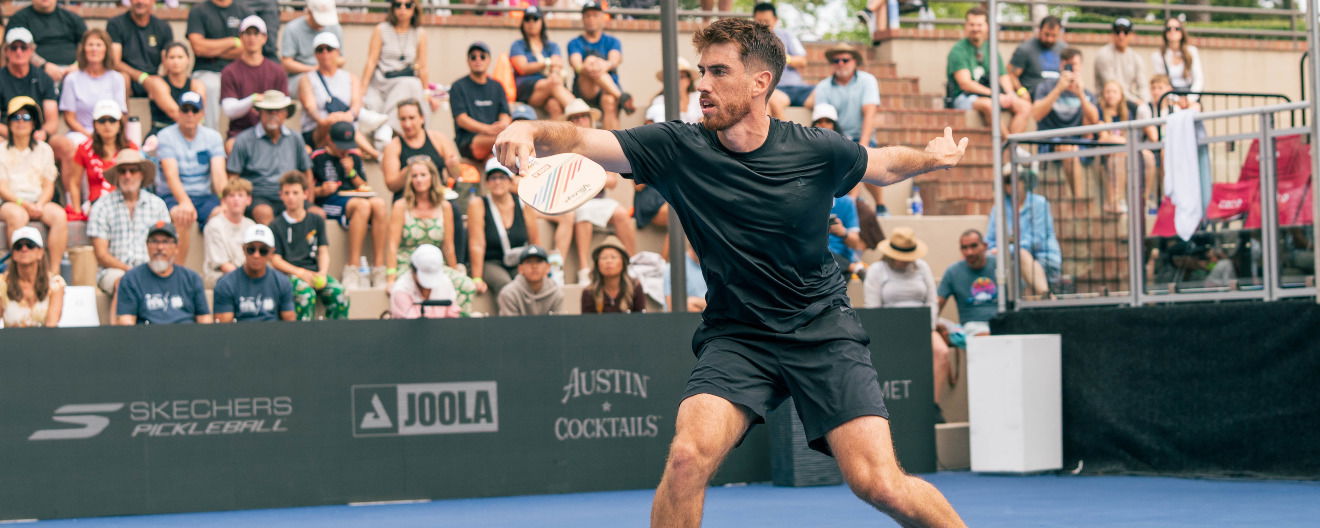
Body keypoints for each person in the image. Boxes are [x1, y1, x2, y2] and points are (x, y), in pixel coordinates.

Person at [494, 18, 968, 525]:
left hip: (822, 328)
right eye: (701, 71)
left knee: (879, 484)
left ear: (760, 82)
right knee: (685, 460)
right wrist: (527, 128)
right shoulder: (677, 147)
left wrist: (933, 157)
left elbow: (883, 164)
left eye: (718, 72)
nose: (702, 84)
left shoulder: (815, 149)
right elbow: (583, 141)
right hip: (738, 334)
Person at [862, 227, 952, 403]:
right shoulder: (877, 271)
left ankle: (933, 405)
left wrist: (929, 326)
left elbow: (932, 300)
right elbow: (872, 307)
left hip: (922, 325)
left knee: (942, 353)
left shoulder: (922, 268)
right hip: (889, 327)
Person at [806, 42, 889, 215]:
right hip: (836, 138)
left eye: (845, 59)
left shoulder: (868, 80)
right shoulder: (823, 86)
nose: (841, 64)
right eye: (836, 60)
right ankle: (851, 203)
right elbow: (823, 119)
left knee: (868, 160)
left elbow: (870, 113)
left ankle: (879, 206)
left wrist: (863, 145)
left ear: (855, 62)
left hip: (862, 135)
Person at [385, 156, 476, 313]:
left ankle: (456, 326)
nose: (419, 180)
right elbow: (392, 246)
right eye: (414, 176)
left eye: (423, 175)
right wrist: (390, 278)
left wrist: (454, 269)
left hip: (435, 264)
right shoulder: (400, 206)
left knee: (467, 285)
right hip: (408, 265)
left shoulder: (445, 206)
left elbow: (448, 246)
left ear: (432, 177)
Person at [88, 150, 171, 318]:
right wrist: (131, 271)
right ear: (117, 175)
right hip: (113, 270)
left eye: (133, 170)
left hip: (154, 267)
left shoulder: (157, 205)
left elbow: (167, 245)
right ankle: (119, 339)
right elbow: (101, 254)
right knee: (124, 283)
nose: (127, 175)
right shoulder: (102, 206)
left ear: (141, 174)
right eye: (122, 171)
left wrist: (148, 270)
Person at [311, 121, 388, 289]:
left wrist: (351, 172)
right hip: (330, 202)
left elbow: (364, 186)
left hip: (354, 197)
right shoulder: (318, 157)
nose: (344, 149)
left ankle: (379, 268)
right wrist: (321, 190)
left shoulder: (353, 156)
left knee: (379, 204)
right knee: (363, 206)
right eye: (340, 145)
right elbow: (309, 192)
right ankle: (352, 269)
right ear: (329, 139)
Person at [566, 101, 636, 284]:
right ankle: (584, 269)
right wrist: (595, 176)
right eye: (574, 118)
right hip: (575, 200)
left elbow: (612, 181)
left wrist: (586, 176)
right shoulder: (564, 146)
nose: (579, 121)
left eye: (582, 116)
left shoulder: (600, 142)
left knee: (621, 214)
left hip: (598, 199)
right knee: (584, 215)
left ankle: (633, 263)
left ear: (589, 120)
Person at [156, 91, 226, 264]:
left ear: (202, 114)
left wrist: (226, 201)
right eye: (185, 110)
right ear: (178, 112)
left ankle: (218, 269)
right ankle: (177, 273)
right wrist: (184, 202)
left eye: (194, 110)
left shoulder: (213, 137)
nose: (189, 115)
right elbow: (171, 175)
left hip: (203, 196)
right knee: (182, 216)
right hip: (172, 195)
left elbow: (219, 174)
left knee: (224, 215)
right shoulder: (165, 136)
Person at [268, 171, 349, 320]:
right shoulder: (276, 225)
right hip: (289, 275)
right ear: (281, 196)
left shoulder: (316, 220)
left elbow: (323, 251)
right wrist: (300, 273)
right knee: (306, 294)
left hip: (314, 273)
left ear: (305, 194)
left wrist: (323, 273)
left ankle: (337, 337)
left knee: (339, 293)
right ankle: (304, 339)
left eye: (295, 192)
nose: (291, 197)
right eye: (287, 193)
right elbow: (276, 260)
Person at [228, 90, 312, 225]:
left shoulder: (296, 138)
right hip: (258, 196)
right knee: (264, 212)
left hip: (291, 194)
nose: (274, 115)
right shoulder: (244, 139)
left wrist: (308, 200)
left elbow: (307, 172)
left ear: (286, 113)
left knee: (317, 214)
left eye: (278, 111)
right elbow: (233, 178)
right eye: (268, 111)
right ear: (260, 113)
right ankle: (273, 247)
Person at [945, 7, 1031, 138]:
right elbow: (965, 84)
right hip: (964, 97)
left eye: (979, 25)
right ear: (966, 26)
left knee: (1024, 106)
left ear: (987, 27)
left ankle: (1011, 149)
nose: (975, 28)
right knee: (989, 105)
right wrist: (996, 95)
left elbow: (1003, 76)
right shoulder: (958, 50)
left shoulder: (991, 49)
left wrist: (1010, 94)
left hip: (992, 94)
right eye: (972, 24)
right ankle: (1007, 147)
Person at [0, 97, 66, 266]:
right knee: (17, 215)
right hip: (10, 202)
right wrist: (23, 203)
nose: (21, 122)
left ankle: (54, 273)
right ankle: (17, 271)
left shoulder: (44, 149)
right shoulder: (1, 150)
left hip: (38, 201)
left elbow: (48, 184)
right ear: (9, 122)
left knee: (59, 215)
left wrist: (40, 204)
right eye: (16, 117)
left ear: (34, 122)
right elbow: (2, 188)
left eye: (26, 117)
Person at [361, 0, 434, 150]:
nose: (402, 9)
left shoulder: (419, 33)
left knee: (413, 86)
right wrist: (361, 90)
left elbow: (423, 66)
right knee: (410, 84)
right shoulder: (381, 29)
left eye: (407, 5)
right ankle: (388, 127)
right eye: (398, 5)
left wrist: (427, 92)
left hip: (405, 79)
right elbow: (371, 61)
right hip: (383, 79)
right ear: (392, 8)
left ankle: (386, 127)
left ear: (414, 8)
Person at [0, 28, 73, 171]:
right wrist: (17, 134)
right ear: (6, 51)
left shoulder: (43, 78)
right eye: (14, 47)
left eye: (23, 47)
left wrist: (42, 133)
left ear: (31, 50)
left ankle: (71, 194)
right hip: (7, 135)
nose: (18, 52)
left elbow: (52, 120)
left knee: (65, 145)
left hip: (38, 135)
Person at [1031, 47, 1099, 198]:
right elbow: (1036, 114)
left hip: (1077, 145)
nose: (1070, 69)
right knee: (1069, 148)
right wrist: (1058, 89)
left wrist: (1080, 95)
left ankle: (1078, 200)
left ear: (1080, 67)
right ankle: (1079, 201)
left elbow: (1094, 120)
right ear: (1061, 66)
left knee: (1071, 148)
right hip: (1050, 143)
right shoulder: (1046, 87)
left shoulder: (1085, 92)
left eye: (1073, 65)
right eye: (1066, 65)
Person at [115, 222, 212, 325]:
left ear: (176, 248)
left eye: (166, 242)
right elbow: (126, 323)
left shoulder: (192, 278)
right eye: (154, 241)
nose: (160, 247)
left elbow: (204, 319)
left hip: (186, 336)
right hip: (147, 337)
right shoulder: (131, 279)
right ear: (147, 246)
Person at [468, 158, 536, 298]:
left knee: (529, 283)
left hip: (519, 261)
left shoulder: (524, 203)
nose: (498, 182)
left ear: (510, 181)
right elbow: (477, 244)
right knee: (505, 285)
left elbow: (534, 240)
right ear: (487, 183)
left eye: (502, 177)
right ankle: (509, 319)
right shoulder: (478, 204)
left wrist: (539, 269)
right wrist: (477, 278)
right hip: (491, 262)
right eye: (493, 178)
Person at [298, 32, 374, 157]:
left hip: (345, 128)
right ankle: (373, 153)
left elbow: (356, 103)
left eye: (329, 49)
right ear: (315, 54)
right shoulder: (307, 79)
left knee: (342, 126)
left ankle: (367, 153)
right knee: (334, 124)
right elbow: (310, 107)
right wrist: (327, 119)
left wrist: (348, 115)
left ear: (337, 51)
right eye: (320, 50)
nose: (325, 53)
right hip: (317, 131)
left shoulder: (350, 77)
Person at [985, 172, 1056, 296]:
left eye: (1015, 180)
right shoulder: (999, 207)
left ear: (1025, 182)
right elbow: (989, 240)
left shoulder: (1039, 203)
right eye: (1007, 181)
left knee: (1021, 255)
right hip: (1008, 261)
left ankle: (1047, 296)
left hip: (1042, 257)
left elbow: (1037, 240)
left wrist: (1007, 249)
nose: (1011, 185)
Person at [220, 16, 288, 142]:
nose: (252, 38)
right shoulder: (229, 72)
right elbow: (229, 110)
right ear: (241, 37)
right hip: (240, 132)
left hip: (272, 131)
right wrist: (254, 99)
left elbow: (285, 105)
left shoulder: (277, 71)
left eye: (256, 33)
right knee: (231, 146)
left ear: (264, 38)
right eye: (248, 33)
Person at [186, 0, 252, 129]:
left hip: (238, 71)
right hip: (206, 71)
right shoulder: (198, 10)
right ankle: (210, 141)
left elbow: (248, 48)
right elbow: (198, 48)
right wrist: (232, 41)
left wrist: (211, 50)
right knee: (211, 86)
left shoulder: (244, 11)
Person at [69, 100, 139, 219]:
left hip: (125, 201)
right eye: (102, 120)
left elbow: (138, 179)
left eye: (112, 120)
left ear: (119, 124)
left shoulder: (131, 148)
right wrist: (77, 210)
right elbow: (74, 182)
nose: (107, 125)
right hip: (96, 205)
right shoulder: (84, 149)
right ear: (95, 124)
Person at [381, 99, 463, 200]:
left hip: (438, 197)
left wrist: (453, 165)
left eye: (411, 118)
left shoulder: (438, 139)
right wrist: (410, 169)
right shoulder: (393, 146)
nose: (407, 124)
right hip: (408, 199)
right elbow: (391, 186)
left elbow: (457, 175)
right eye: (403, 119)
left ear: (422, 118)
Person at [213, 223, 296, 322]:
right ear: (243, 249)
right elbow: (223, 328)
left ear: (271, 252)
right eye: (251, 249)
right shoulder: (226, 284)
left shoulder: (282, 282)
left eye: (263, 250)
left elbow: (290, 323)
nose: (256, 255)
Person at [568, 1, 630, 131]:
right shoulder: (575, 43)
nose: (591, 19)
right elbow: (577, 65)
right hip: (585, 91)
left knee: (609, 101)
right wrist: (590, 66)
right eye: (587, 16)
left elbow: (614, 60)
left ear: (602, 18)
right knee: (590, 60)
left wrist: (602, 65)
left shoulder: (612, 41)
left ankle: (613, 148)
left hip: (607, 92)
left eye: (595, 15)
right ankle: (621, 97)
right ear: (583, 19)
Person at [60, 29, 128, 146]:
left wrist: (106, 135)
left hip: (109, 133)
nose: (94, 49)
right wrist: (89, 135)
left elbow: (121, 114)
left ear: (106, 49)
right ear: (83, 49)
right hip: (81, 134)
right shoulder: (72, 79)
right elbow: (69, 118)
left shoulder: (117, 78)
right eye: (90, 45)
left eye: (98, 45)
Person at [450, 41, 511, 162]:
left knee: (509, 137)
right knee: (507, 140)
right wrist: (488, 129)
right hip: (469, 140)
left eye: (482, 56)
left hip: (496, 136)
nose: (478, 60)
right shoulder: (458, 86)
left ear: (489, 60)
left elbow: (505, 114)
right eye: (473, 57)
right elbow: (461, 119)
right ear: (468, 61)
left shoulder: (497, 86)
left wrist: (502, 126)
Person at [511, 6, 574, 120]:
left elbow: (557, 65)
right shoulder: (518, 45)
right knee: (554, 82)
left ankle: (557, 138)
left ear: (542, 22)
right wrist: (547, 63)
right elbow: (523, 68)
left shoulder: (552, 45)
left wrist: (553, 71)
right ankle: (581, 113)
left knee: (554, 105)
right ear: (523, 23)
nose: (531, 22)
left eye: (535, 19)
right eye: (527, 19)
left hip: (551, 85)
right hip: (528, 90)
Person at [3, 0, 86, 85]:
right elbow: (15, 50)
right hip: (34, 77)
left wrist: (77, 65)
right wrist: (43, 66)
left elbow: (86, 46)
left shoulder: (73, 18)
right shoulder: (19, 19)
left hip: (74, 73)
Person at [756, 3, 812, 119]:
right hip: (776, 89)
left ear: (775, 20)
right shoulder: (751, 42)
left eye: (766, 21)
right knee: (772, 101)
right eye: (759, 21)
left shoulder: (786, 35)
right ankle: (787, 137)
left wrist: (783, 57)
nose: (763, 25)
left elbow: (802, 61)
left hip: (800, 87)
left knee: (827, 96)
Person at [0, 227, 65, 328]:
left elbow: (52, 324)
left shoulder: (56, 283)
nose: (24, 249)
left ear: (40, 252)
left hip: (45, 341)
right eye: (18, 246)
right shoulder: (2, 283)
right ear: (13, 254)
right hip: (12, 341)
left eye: (30, 245)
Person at [107, 0, 173, 98]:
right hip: (128, 77)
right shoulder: (116, 24)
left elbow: (168, 62)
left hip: (153, 78)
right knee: (122, 78)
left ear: (153, 1)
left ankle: (179, 113)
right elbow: (115, 62)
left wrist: (159, 80)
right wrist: (142, 77)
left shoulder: (163, 27)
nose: (140, 2)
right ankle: (124, 113)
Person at [938, 229, 997, 337]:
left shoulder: (1000, 265)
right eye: (964, 248)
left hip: (1001, 323)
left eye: (974, 246)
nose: (969, 252)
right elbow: (937, 305)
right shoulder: (953, 271)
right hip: (971, 327)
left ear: (984, 246)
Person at [143, 43, 208, 137]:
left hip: (191, 132)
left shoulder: (197, 84)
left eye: (180, 57)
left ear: (188, 60)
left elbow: (200, 113)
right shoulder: (157, 82)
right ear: (164, 61)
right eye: (172, 57)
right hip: (161, 133)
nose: (176, 61)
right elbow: (173, 112)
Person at [1096, 79, 1139, 215]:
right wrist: (1121, 141)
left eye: (1114, 91)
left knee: (1144, 156)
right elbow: (1103, 138)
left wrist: (1120, 141)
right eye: (1107, 92)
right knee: (1118, 155)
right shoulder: (1099, 111)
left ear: (1121, 95)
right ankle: (1115, 200)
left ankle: (1142, 200)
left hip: (1122, 152)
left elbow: (1130, 138)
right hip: (1104, 152)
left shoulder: (1127, 114)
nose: (1110, 95)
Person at [203, 178, 256, 286]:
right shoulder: (214, 225)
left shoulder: (251, 225)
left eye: (240, 195)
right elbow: (223, 265)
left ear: (248, 200)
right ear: (224, 201)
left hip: (245, 274)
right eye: (231, 195)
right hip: (219, 276)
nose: (236, 199)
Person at [280, 0, 342, 91]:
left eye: (328, 49)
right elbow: (286, 63)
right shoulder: (292, 28)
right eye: (320, 50)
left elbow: (341, 59)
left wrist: (326, 65)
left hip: (329, 74)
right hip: (301, 76)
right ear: (309, 11)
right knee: (313, 86)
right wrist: (315, 69)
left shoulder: (335, 27)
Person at [389, 243, 461, 319]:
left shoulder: (445, 282)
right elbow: (407, 324)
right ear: (413, 271)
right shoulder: (401, 290)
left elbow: (452, 315)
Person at [580, 236, 645, 314]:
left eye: (613, 257)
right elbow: (586, 323)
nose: (608, 261)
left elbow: (641, 321)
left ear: (623, 263)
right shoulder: (589, 292)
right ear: (597, 264)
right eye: (604, 258)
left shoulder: (635, 287)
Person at [1094, 18, 1150, 105]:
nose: (1121, 35)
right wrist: (1135, 101)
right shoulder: (1103, 55)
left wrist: (1145, 101)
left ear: (1132, 35)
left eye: (1125, 32)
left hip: (1131, 101)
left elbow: (1143, 85)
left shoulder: (1136, 57)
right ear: (1112, 35)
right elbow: (1113, 88)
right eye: (1117, 31)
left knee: (1145, 110)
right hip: (1108, 102)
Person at [497, 244, 562, 317]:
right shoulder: (508, 294)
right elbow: (509, 326)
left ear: (547, 268)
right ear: (520, 269)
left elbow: (557, 325)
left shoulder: (556, 293)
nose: (534, 266)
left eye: (538, 261)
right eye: (529, 262)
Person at [1008, 15, 1065, 98]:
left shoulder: (1064, 50)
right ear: (1039, 31)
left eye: (1054, 35)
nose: (1049, 39)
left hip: (1058, 97)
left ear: (1059, 33)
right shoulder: (1025, 49)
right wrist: (1021, 92)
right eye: (1046, 34)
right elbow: (1011, 75)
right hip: (1033, 96)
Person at [1151, 18, 1203, 99]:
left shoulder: (1192, 51)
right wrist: (1176, 100)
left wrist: (1190, 99)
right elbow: (1161, 83)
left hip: (1191, 96)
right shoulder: (1158, 56)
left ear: (1182, 32)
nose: (1172, 31)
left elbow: (1198, 79)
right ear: (1165, 33)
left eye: (1177, 29)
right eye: (1169, 29)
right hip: (1169, 98)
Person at [644, 58, 701, 125]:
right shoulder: (659, 101)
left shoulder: (698, 97)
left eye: (681, 76)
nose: (677, 80)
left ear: (689, 80)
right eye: (673, 76)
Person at [828, 194, 866, 279]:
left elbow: (855, 244)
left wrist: (843, 232)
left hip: (841, 260)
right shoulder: (807, 201)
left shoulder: (846, 202)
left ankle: (850, 266)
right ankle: (853, 267)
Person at [663, 245, 707, 313]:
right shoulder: (674, 268)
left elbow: (721, 302)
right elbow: (672, 306)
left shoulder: (714, 266)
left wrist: (693, 301)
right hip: (684, 319)